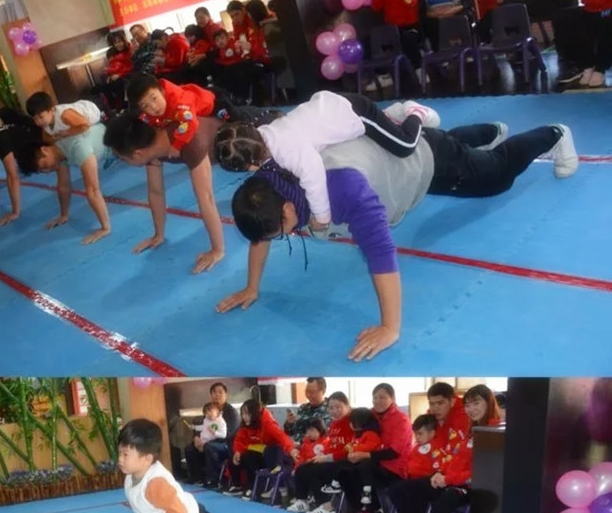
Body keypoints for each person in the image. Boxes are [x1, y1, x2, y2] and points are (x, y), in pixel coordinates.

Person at [218, 118, 578, 362]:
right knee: (446, 144)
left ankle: (553, 134)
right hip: (398, 153)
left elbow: (381, 253)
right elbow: (262, 232)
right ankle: (489, 130)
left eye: (280, 231)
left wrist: (390, 327)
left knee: (495, 175)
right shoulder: (270, 182)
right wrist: (252, 287)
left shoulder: (343, 190)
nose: (281, 237)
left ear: (286, 208)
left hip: (427, 164)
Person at [213, 91, 439, 231]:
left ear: (251, 164)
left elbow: (314, 177)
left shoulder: (288, 150)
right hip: (328, 107)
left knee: (405, 146)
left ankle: (414, 112)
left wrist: (322, 218)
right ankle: (388, 121)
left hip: (354, 112)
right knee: (386, 134)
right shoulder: (261, 135)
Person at [102, 102, 278, 274]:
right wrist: (158, 235)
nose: (124, 162)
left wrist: (217, 250)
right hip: (237, 141)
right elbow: (156, 192)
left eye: (122, 158)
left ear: (137, 154)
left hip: (259, 126)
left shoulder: (190, 142)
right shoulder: (151, 146)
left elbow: (206, 198)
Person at [387, 384, 501, 513]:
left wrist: (448, 479)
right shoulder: (471, 431)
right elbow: (456, 458)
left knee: (448, 497)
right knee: (398, 489)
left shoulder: (493, 432)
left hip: (470, 487)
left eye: (476, 403)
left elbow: (479, 472)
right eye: (467, 405)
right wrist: (441, 473)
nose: (471, 409)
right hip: (450, 479)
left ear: (489, 403)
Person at [14, 122, 115, 245]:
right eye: (42, 171)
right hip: (111, 144)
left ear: (45, 150)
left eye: (44, 166)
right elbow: (64, 186)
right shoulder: (59, 153)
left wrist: (105, 228)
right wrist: (64, 215)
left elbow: (93, 190)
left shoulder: (78, 148)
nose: (47, 171)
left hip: (119, 137)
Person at [338, 383, 413, 513]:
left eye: (382, 397)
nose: (378, 401)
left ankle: (377, 510)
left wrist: (365, 454)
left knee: (365, 466)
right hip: (373, 463)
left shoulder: (402, 420)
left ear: (393, 398)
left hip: (394, 468)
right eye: (375, 398)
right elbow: (355, 426)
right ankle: (360, 508)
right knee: (343, 469)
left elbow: (394, 452)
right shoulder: (370, 415)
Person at [287, 391, 355, 513]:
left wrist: (326, 458)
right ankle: (302, 500)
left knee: (311, 471)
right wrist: (320, 457)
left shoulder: (352, 423)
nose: (334, 411)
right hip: (332, 460)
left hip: (345, 463)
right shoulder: (334, 424)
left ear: (347, 405)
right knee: (302, 468)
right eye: (331, 408)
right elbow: (331, 446)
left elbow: (350, 448)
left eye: (338, 407)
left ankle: (327, 507)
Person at [126, 73, 231, 151]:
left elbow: (190, 123)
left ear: (162, 91)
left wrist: (176, 147)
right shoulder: (147, 113)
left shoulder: (179, 103)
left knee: (232, 120)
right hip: (192, 95)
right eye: (145, 106)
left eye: (154, 98)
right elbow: (145, 122)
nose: (153, 107)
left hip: (214, 101)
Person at [226, 398, 296, 498]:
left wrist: (291, 449)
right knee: (233, 457)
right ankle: (237, 486)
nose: (244, 417)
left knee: (250, 458)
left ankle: (254, 488)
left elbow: (281, 436)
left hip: (270, 455)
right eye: (243, 414)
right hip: (255, 451)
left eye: (247, 414)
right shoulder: (245, 425)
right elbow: (239, 440)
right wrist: (237, 452)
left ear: (255, 414)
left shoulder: (267, 423)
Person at [185, 381, 240, 488]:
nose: (217, 395)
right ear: (210, 395)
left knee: (209, 447)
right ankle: (197, 478)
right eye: (214, 392)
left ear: (226, 395)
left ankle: (213, 480)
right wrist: (197, 438)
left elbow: (227, 435)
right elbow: (204, 427)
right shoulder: (209, 410)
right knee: (190, 448)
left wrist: (205, 442)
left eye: (220, 392)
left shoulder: (232, 413)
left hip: (226, 444)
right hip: (209, 440)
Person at [25, 91, 102, 141]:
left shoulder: (65, 115)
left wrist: (68, 132)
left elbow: (85, 125)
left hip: (91, 111)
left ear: (51, 110)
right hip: (76, 120)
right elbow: (46, 138)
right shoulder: (45, 123)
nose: (38, 122)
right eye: (35, 119)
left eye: (41, 117)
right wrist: (53, 138)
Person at [283, 377, 331, 442]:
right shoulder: (303, 408)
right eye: (307, 391)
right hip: (300, 447)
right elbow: (290, 432)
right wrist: (289, 423)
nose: (309, 395)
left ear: (323, 391)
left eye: (312, 392)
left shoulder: (331, 409)